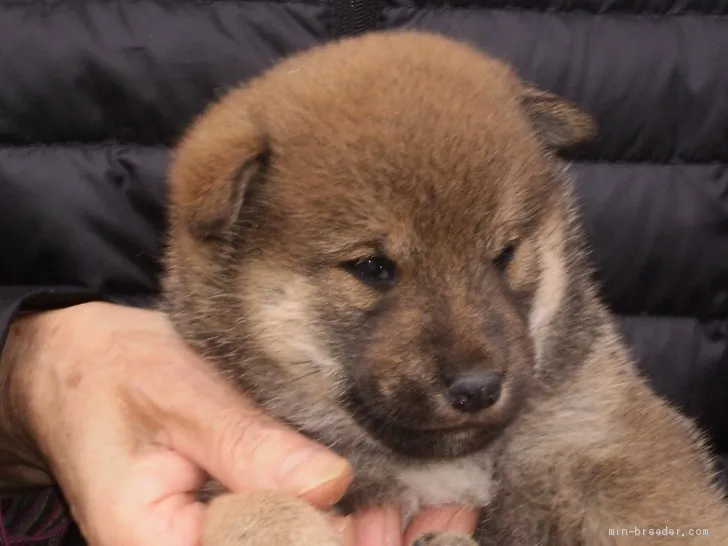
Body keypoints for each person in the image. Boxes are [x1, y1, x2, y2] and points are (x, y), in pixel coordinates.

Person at [0, 1, 726, 545]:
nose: (475, 363)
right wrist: (22, 374)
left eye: (505, 256)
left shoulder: (566, 376)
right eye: (373, 269)